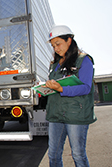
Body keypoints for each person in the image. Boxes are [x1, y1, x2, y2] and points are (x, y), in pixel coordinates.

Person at [44, 25, 97, 167]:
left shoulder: (84, 60)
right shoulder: (55, 64)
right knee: (53, 154)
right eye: (53, 46)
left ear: (69, 40)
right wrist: (45, 89)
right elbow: (55, 87)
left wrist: (61, 88)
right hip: (56, 114)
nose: (55, 48)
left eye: (58, 44)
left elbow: (86, 88)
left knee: (78, 155)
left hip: (76, 115)